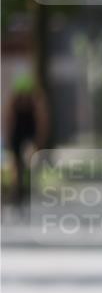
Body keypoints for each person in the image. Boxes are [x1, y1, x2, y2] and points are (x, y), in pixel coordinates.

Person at [2, 74, 49, 208]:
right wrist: (8, 140)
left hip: (30, 133)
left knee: (30, 160)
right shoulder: (13, 101)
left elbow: (42, 121)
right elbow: (8, 120)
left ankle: (29, 187)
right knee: (16, 164)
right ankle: (18, 190)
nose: (23, 97)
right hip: (18, 132)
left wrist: (39, 141)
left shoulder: (36, 100)